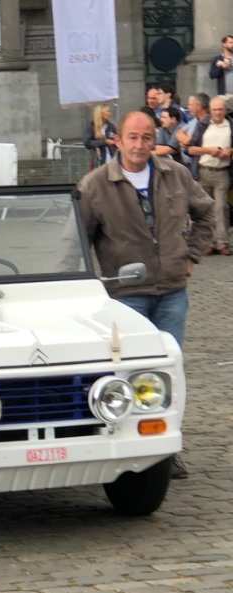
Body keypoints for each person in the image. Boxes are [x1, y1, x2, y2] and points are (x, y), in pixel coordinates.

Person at [76, 110, 215, 478]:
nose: (140, 145)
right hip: (126, 296)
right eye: (133, 137)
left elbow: (207, 214)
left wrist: (191, 256)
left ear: (155, 140)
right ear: (118, 141)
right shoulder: (94, 185)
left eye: (147, 137)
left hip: (172, 292)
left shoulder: (176, 175)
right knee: (131, 374)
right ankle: (126, 447)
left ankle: (165, 451)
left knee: (168, 373)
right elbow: (74, 243)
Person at [187, 96, 233, 255]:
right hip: (204, 170)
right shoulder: (203, 125)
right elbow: (191, 149)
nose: (218, 113)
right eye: (215, 110)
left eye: (221, 109)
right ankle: (208, 243)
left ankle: (222, 242)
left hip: (222, 171)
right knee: (206, 209)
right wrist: (209, 150)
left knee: (221, 208)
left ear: (225, 110)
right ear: (210, 111)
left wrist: (230, 151)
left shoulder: (230, 125)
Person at [209, 35, 233, 104]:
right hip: (224, 95)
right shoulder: (217, 59)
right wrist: (221, 67)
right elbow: (212, 75)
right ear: (224, 44)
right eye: (230, 43)